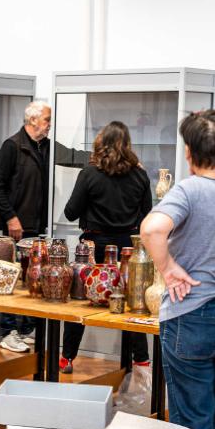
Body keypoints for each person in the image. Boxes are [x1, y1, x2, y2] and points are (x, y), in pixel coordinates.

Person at [140, 109, 215, 429]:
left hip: (194, 313)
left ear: (189, 151)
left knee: (193, 423)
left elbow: (151, 229)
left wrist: (168, 268)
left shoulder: (189, 190)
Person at [61, 121, 152, 374]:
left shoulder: (89, 173)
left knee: (79, 301)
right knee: (133, 302)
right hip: (127, 248)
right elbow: (148, 214)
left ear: (100, 143)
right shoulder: (140, 175)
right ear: (127, 145)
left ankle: (67, 358)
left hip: (93, 247)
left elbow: (70, 212)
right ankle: (141, 361)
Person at [0, 101, 53, 352]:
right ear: (33, 120)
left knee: (32, 279)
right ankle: (8, 331)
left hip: (37, 228)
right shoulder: (12, 146)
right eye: (47, 119)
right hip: (16, 229)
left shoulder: (45, 146)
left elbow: (72, 155)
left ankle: (26, 329)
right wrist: (11, 218)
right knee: (12, 279)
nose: (49, 124)